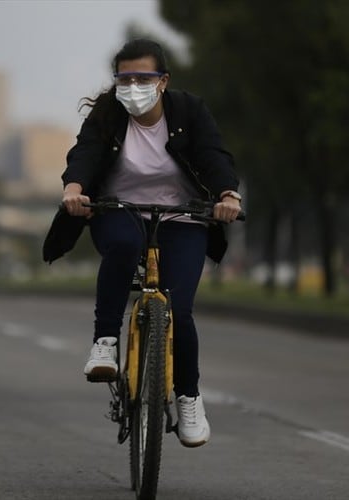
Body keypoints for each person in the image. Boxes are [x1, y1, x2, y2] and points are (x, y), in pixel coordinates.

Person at [43, 39, 242, 448]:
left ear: (163, 81)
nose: (133, 86)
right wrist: (75, 190)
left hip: (184, 218)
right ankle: (105, 344)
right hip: (119, 209)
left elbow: (214, 156)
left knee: (179, 310)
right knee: (123, 245)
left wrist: (227, 196)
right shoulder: (108, 114)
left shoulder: (189, 111)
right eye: (125, 78)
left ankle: (188, 398)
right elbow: (85, 153)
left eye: (143, 78)